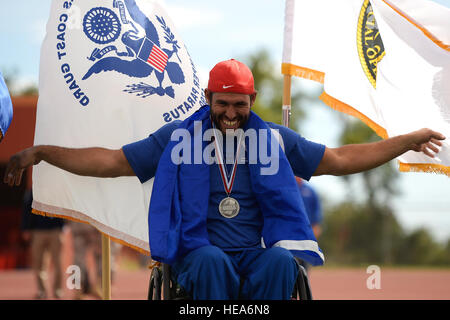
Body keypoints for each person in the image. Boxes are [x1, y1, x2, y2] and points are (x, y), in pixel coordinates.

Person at [4, 59, 445, 300]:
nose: (231, 114)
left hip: (254, 255)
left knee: (280, 262)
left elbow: (337, 157)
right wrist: (43, 153)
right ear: (208, 99)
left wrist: (402, 142)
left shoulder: (273, 139)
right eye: (222, 104)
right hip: (198, 255)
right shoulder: (177, 139)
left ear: (251, 99)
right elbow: (111, 161)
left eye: (240, 105)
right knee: (213, 261)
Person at [21, 189, 65, 299]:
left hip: (55, 230)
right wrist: (25, 228)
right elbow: (26, 210)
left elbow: (65, 208)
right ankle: (42, 291)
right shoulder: (33, 192)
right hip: (38, 231)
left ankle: (58, 290)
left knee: (58, 262)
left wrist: (64, 226)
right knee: (39, 263)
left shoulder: (57, 191)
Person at [295, 177, 322, 272]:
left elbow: (316, 219)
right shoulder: (285, 188)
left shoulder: (310, 191)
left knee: (303, 271)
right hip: (289, 235)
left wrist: (313, 238)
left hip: (306, 236)